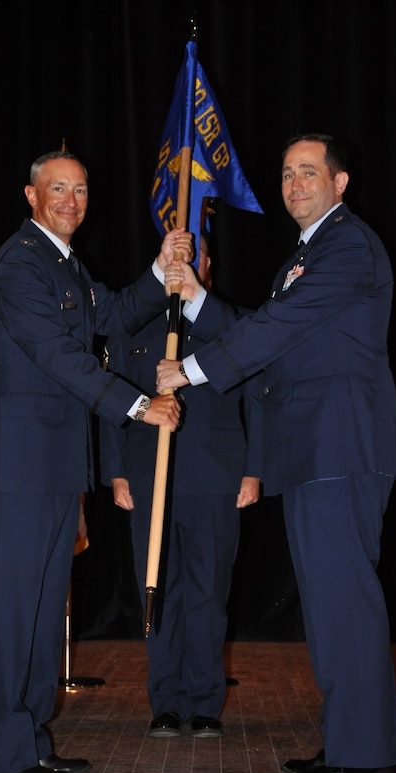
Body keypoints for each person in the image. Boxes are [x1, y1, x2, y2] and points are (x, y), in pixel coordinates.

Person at [156, 134, 396, 773]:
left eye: (309, 172)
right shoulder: (307, 254)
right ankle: (351, 741)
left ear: (340, 182)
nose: (295, 184)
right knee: (329, 604)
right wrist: (200, 300)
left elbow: (276, 329)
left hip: (340, 445)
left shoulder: (347, 244)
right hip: (313, 449)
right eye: (288, 173)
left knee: (344, 601)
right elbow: (269, 327)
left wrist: (188, 369)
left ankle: (367, 753)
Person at [0, 149, 199, 773]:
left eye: (81, 189)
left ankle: (29, 740)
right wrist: (136, 404)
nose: (71, 200)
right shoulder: (19, 266)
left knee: (43, 612)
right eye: (57, 188)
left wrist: (160, 270)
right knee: (12, 610)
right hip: (18, 466)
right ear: (31, 196)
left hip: (54, 466)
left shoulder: (63, 265)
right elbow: (55, 357)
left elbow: (112, 321)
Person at [99, 229, 263, 739]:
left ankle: (205, 701)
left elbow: (257, 396)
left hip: (216, 478)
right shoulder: (137, 323)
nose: (182, 266)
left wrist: (254, 469)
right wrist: (117, 471)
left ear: (207, 267)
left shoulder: (229, 324)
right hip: (151, 476)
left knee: (208, 594)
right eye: (173, 257)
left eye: (193, 258)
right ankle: (166, 701)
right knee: (158, 590)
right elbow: (111, 400)